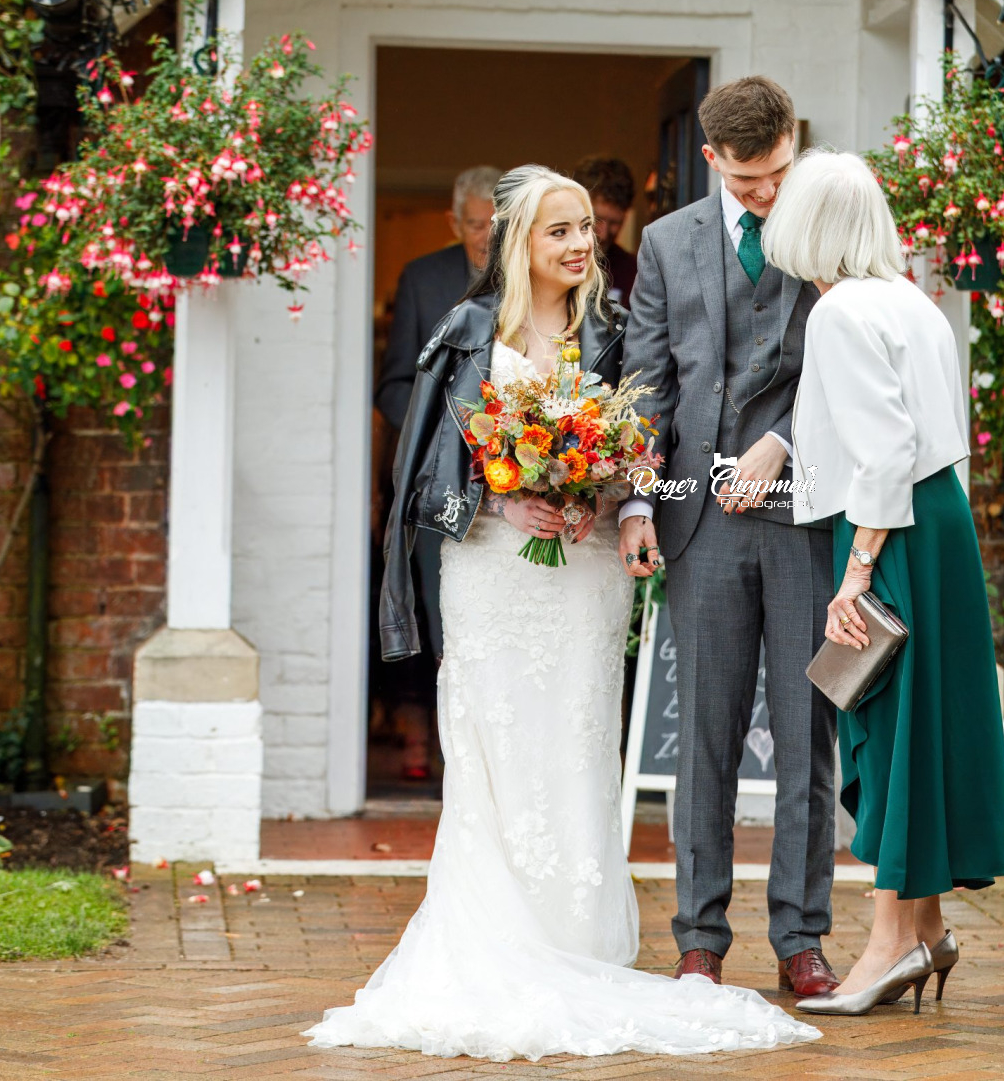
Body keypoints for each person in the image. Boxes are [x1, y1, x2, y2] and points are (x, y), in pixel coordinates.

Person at [312, 166, 819, 1061]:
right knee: (497, 753)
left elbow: (646, 438)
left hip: (584, 576)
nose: (584, 243)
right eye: (561, 230)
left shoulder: (614, 332)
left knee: (578, 747)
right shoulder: (467, 332)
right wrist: (501, 500)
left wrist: (613, 501)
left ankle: (580, 943)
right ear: (518, 240)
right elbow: (420, 475)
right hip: (494, 574)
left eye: (587, 227)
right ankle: (493, 941)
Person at [761, 149, 1004, 1016]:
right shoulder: (913, 300)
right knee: (922, 725)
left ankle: (887, 947)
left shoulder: (839, 312)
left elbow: (882, 452)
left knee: (891, 725)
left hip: (891, 526)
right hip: (937, 519)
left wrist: (857, 572)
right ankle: (928, 928)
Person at [617, 77, 841, 998]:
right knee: (704, 737)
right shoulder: (667, 242)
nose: (768, 193)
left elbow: (841, 361)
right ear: (712, 159)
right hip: (697, 519)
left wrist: (780, 440)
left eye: (779, 172)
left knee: (806, 733)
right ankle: (700, 936)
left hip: (801, 515)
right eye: (749, 182)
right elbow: (646, 379)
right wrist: (637, 503)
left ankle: (801, 936)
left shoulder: (824, 231)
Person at [370, 164, 501, 779]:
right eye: (474, 225)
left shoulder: (535, 274)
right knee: (444, 616)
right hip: (439, 483)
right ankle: (456, 762)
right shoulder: (422, 280)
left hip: (522, 483)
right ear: (454, 222)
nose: (486, 236)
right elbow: (393, 385)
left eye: (495, 223)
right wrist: (442, 427)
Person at [572, 155, 639, 307]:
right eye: (596, 219)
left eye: (615, 223)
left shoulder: (632, 272)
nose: (603, 234)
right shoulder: (549, 262)